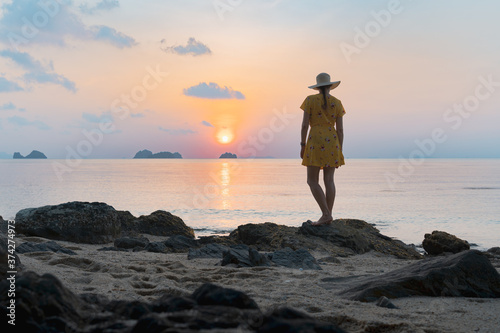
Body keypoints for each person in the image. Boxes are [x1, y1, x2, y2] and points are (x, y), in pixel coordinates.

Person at [300, 73, 345, 226]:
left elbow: (305, 125)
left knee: (312, 180)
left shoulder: (310, 100)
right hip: (332, 141)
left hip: (315, 141)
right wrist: (339, 149)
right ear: (330, 86)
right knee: (329, 180)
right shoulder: (337, 103)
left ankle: (326, 214)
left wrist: (302, 144)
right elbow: (340, 130)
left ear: (318, 87)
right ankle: (328, 215)